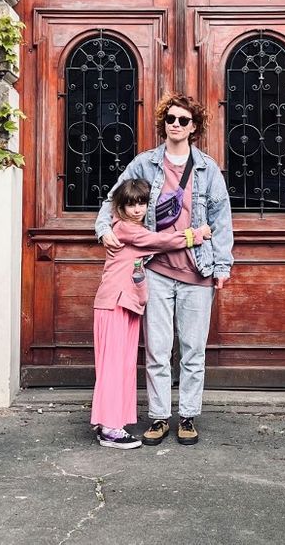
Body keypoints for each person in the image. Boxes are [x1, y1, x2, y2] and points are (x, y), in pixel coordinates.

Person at [95, 92, 235, 446]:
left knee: (192, 350)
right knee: (157, 350)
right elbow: (113, 198)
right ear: (164, 123)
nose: (176, 125)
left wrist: (222, 265)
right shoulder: (145, 163)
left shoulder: (207, 169)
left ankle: (187, 416)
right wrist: (104, 229)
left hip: (197, 272)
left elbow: (221, 219)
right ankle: (158, 417)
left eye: (183, 120)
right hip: (155, 272)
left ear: (194, 127)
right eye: (171, 119)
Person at [90, 178, 211, 449]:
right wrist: (196, 234)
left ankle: (110, 424)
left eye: (142, 203)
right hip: (115, 304)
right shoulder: (126, 229)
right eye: (130, 204)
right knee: (113, 367)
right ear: (119, 207)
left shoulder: (131, 228)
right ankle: (110, 429)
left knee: (121, 367)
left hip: (127, 305)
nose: (137, 210)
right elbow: (161, 241)